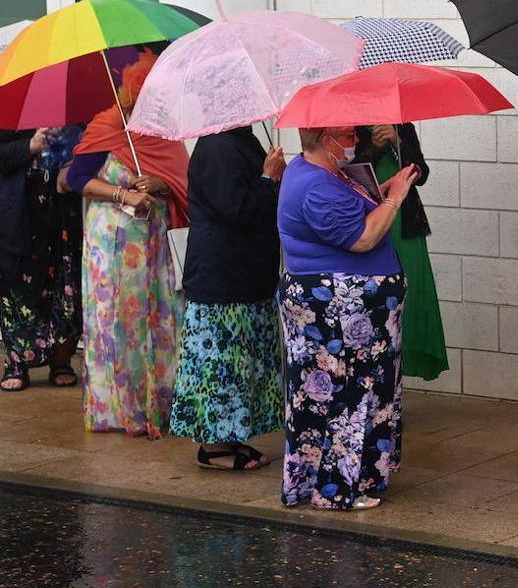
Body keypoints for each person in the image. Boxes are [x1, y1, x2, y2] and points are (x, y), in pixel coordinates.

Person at [277, 125, 418, 511]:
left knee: (350, 390)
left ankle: (351, 479)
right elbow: (361, 239)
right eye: (348, 136)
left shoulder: (322, 174)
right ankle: (335, 488)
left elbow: (355, 212)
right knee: (345, 393)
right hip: (338, 311)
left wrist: (383, 193)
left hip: (349, 310)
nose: (356, 141)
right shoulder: (314, 185)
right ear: (325, 139)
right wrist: (396, 200)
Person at [68, 47, 189, 438]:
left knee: (160, 317)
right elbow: (75, 178)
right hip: (112, 241)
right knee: (118, 319)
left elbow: (183, 184)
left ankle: (163, 402)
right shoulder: (107, 125)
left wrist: (162, 185)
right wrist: (123, 195)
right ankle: (122, 408)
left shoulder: (164, 131)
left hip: (154, 241)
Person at [169, 127, 287, 470]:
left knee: (240, 363)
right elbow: (240, 209)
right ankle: (214, 446)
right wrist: (268, 177)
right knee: (221, 364)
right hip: (222, 277)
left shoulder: (238, 138)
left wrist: (271, 177)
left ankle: (231, 436)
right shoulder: (218, 145)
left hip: (244, 273)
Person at [355, 123, 448, 381]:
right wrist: (374, 147)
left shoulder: (402, 125)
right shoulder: (353, 125)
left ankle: (402, 367)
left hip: (405, 223)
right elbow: (349, 175)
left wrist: (397, 142)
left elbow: (421, 173)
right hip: (371, 219)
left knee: (411, 290)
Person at [0, 126, 82, 391]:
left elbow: (93, 148)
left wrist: (74, 158)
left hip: (63, 218)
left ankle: (62, 361)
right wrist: (31, 145)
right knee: (16, 291)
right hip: (19, 217)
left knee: (66, 290)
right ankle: (16, 364)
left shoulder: (74, 110)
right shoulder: (8, 109)